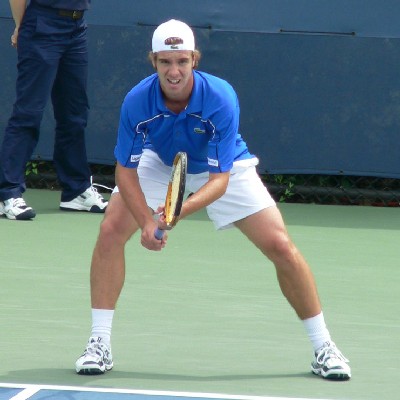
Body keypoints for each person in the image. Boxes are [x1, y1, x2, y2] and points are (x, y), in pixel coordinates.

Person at [75, 19, 351, 380]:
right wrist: (146, 220)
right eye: (165, 62)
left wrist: (175, 213)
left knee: (281, 246)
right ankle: (99, 343)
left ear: (195, 59)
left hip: (221, 166)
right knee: (111, 230)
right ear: (153, 61)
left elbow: (220, 180)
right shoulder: (137, 102)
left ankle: (324, 347)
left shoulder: (220, 97)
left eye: (182, 61)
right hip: (160, 162)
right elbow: (125, 171)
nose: (174, 71)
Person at [0, 0, 107, 221]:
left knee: (74, 114)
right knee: (28, 113)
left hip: (77, 27)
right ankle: (7, 193)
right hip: (42, 25)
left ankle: (76, 190)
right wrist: (21, 26)